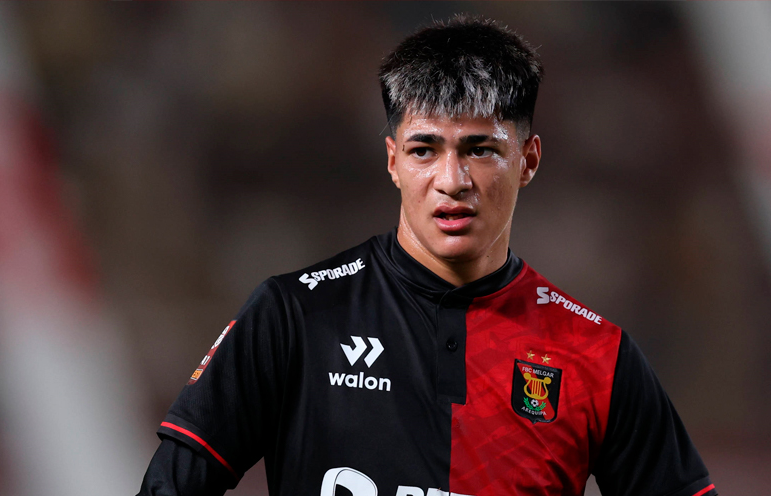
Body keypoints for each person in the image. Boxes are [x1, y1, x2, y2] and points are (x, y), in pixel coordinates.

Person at [138, 15, 716, 496]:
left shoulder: (594, 355)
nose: (452, 180)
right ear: (392, 161)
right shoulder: (295, 316)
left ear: (528, 160)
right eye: (424, 150)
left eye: (480, 149)